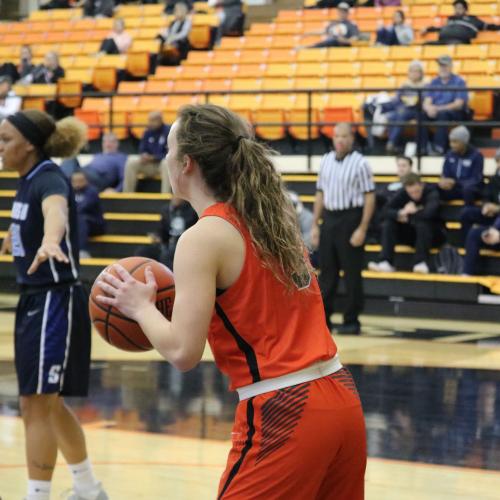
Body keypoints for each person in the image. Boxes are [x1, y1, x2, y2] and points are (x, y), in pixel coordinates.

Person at [96, 104, 367, 499]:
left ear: (186, 163)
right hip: (340, 393)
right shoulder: (271, 218)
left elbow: (183, 352)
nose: (165, 159)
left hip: (286, 405)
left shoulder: (202, 238)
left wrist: (139, 307)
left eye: (169, 151)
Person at [0, 110, 107, 500]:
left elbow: (56, 210)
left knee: (36, 405)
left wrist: (50, 239)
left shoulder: (47, 177)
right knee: (46, 403)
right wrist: (17, 238)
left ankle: (38, 495)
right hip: (36, 300)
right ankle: (88, 488)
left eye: (6, 139)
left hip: (53, 300)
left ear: (29, 143)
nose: (0, 146)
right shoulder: (26, 180)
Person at [312, 123, 376, 335]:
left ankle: (351, 319)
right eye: (337, 136)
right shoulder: (325, 160)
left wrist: (362, 228)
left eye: (344, 136)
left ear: (352, 138)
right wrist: (315, 224)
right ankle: (324, 319)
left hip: (351, 218)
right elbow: (320, 193)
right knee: (327, 274)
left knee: (352, 273)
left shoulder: (361, 163)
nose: (340, 139)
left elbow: (369, 196)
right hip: (330, 219)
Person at [368, 173, 444, 274]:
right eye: (411, 193)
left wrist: (412, 213)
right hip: (411, 234)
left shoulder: (431, 192)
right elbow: (385, 211)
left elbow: (429, 213)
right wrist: (400, 212)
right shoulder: (403, 193)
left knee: (423, 224)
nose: (414, 195)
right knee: (389, 223)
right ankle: (386, 262)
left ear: (421, 185)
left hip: (434, 235)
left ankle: (420, 262)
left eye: (417, 191)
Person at [421, 56, 468, 155]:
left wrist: (438, 109)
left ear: (451, 67)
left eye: (445, 66)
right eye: (440, 66)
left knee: (443, 115)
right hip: (436, 111)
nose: (442, 68)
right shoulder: (434, 82)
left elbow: (458, 104)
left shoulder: (459, 81)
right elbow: (427, 101)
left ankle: (439, 148)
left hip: (454, 112)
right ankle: (422, 148)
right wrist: (428, 108)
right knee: (421, 115)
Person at [135, 197, 197, 269]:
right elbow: (163, 230)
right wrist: (158, 236)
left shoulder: (193, 210)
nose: (175, 198)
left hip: (183, 245)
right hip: (168, 244)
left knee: (166, 256)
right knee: (143, 251)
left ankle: (170, 278)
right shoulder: (166, 210)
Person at [383, 60, 426, 153]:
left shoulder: (425, 85)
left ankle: (392, 142)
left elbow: (426, 100)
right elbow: (397, 100)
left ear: (421, 73)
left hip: (418, 110)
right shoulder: (404, 85)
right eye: (412, 71)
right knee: (391, 117)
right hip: (403, 110)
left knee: (401, 114)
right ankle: (396, 146)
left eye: (417, 71)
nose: (414, 74)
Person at [60, 133, 127, 192]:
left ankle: (63, 185)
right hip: (87, 172)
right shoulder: (98, 155)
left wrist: (116, 190)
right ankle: (63, 182)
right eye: (105, 141)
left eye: (111, 142)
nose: (108, 144)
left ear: (117, 143)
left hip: (101, 177)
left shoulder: (120, 157)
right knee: (70, 157)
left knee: (76, 174)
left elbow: (125, 178)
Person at [123, 111, 171, 193]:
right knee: (131, 161)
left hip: (160, 165)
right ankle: (127, 194)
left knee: (166, 163)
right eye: (149, 120)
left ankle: (165, 196)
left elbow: (170, 154)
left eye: (152, 120)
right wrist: (143, 155)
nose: (150, 123)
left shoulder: (168, 131)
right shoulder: (147, 132)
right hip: (148, 164)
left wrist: (154, 157)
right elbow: (142, 149)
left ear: (160, 120)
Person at [460, 148, 500, 241]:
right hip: (493, 215)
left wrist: (497, 208)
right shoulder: (495, 178)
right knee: (466, 213)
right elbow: (486, 195)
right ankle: (465, 243)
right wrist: (486, 205)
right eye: (497, 161)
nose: (499, 165)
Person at [438, 126, 483, 206]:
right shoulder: (449, 154)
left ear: (464, 142)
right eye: (450, 142)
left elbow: (476, 179)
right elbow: (445, 173)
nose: (452, 145)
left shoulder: (476, 155)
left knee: (468, 189)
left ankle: (468, 213)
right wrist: (443, 181)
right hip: (453, 188)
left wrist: (456, 182)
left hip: (470, 189)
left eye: (455, 142)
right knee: (433, 188)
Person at [422, 0, 499, 45]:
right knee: (425, 44)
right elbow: (440, 28)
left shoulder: (472, 19)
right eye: (455, 8)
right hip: (443, 41)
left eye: (459, 8)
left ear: (465, 10)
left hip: (459, 42)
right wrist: (428, 29)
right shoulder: (450, 20)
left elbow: (488, 26)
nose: (456, 10)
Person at [71, 169, 106, 259]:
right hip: (77, 224)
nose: (77, 183)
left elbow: (83, 207)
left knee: (81, 218)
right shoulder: (70, 192)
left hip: (96, 225)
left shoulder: (92, 192)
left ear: (86, 181)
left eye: (80, 181)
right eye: (75, 181)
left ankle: (82, 251)